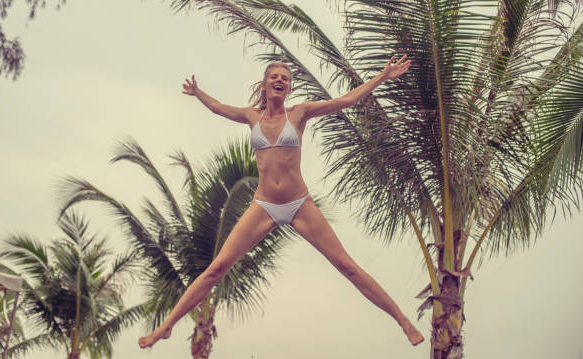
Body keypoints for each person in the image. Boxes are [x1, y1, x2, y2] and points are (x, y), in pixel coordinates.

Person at [139, 55, 424, 348]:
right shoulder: (252, 117)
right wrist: (198, 93)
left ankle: (402, 321)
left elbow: (346, 101)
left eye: (284, 79)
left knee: (346, 265)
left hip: (299, 204)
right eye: (274, 77)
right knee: (216, 268)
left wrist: (382, 76)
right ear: (265, 85)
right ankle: (167, 326)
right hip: (263, 206)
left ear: (289, 88)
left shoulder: (300, 113)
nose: (279, 81)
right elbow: (220, 108)